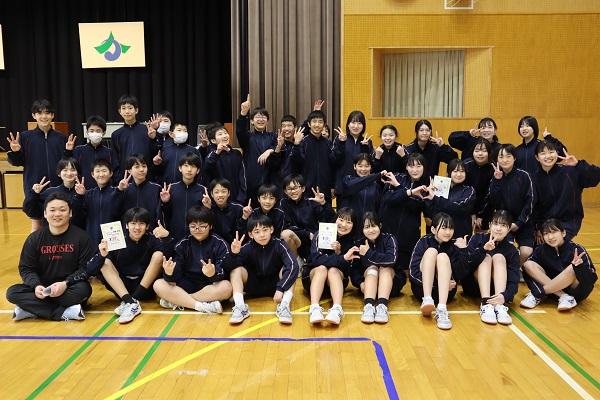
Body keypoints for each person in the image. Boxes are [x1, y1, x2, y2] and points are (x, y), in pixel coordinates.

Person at [6, 192, 93, 321]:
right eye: (52, 210)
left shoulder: (82, 237)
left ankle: (32, 309)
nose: (57, 214)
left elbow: (85, 269)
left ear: (70, 213)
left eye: (62, 210)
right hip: (42, 288)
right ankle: (64, 312)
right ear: (45, 214)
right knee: (12, 292)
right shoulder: (34, 239)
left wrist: (65, 283)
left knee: (84, 290)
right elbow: (26, 268)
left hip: (68, 288)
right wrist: (36, 285)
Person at [86, 207, 171, 324]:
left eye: (141, 224)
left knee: (158, 255)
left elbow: (170, 258)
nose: (137, 227)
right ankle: (130, 301)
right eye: (133, 223)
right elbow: (90, 269)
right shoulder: (115, 240)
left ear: (147, 226)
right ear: (126, 225)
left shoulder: (153, 240)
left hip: (145, 288)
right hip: (123, 288)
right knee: (105, 262)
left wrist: (167, 237)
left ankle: (132, 301)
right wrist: (101, 254)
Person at [153, 206, 232, 313]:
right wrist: (169, 273)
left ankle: (180, 302)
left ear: (210, 226)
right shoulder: (183, 244)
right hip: (185, 285)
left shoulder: (220, 243)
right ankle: (200, 306)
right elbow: (176, 274)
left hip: (209, 286)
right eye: (193, 226)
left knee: (226, 287)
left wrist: (213, 273)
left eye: (202, 226)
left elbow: (224, 271)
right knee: (158, 284)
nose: (197, 230)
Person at [7, 99, 68, 231]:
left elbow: (65, 163)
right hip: (35, 187)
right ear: (34, 116)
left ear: (52, 115)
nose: (44, 116)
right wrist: (15, 152)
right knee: (37, 224)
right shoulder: (25, 137)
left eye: (47, 113)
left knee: (59, 222)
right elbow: (17, 162)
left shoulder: (60, 137)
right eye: (39, 113)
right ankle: (35, 246)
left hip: (57, 186)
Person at [227, 215, 300, 325]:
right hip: (253, 285)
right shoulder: (246, 247)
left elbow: (293, 265)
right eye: (257, 232)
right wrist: (234, 254)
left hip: (275, 286)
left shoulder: (280, 244)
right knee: (236, 269)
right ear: (250, 234)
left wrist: (281, 288)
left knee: (289, 269)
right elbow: (227, 267)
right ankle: (240, 307)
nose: (262, 235)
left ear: (271, 229)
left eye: (265, 230)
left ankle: (284, 306)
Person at [521, 219, 597, 311]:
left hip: (575, 292)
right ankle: (563, 296)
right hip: (553, 293)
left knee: (573, 267)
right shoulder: (540, 250)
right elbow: (527, 272)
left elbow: (592, 279)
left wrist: (580, 267)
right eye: (546, 233)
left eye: (554, 232)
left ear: (563, 233)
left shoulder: (577, 249)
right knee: (528, 264)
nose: (550, 237)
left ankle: (537, 294)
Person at [409, 213, 468, 330]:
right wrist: (437, 283)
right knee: (431, 251)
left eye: (451, 228)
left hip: (446, 293)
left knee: (442, 256)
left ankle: (442, 309)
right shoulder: (424, 242)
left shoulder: (454, 245)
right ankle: (427, 299)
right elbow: (412, 272)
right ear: (433, 229)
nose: (448, 232)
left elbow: (461, 274)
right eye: (444, 228)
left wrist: (463, 250)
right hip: (421, 290)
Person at [532, 140, 600, 241]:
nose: (548, 156)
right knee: (538, 247)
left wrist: (578, 164)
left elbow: (596, 176)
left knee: (557, 241)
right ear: (537, 157)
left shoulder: (570, 172)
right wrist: (537, 227)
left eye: (551, 152)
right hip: (545, 223)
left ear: (557, 153)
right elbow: (534, 206)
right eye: (543, 153)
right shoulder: (534, 178)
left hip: (569, 221)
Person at [462, 210, 519, 325]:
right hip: (475, 287)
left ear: (508, 229)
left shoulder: (512, 250)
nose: (498, 228)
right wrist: (483, 250)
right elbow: (466, 267)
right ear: (489, 225)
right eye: (495, 224)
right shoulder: (477, 238)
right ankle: (485, 304)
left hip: (498, 293)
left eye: (503, 225)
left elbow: (514, 280)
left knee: (499, 257)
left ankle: (499, 306)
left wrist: (505, 296)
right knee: (486, 257)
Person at [303, 207, 357, 325]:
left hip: (337, 282)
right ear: (335, 219)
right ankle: (314, 308)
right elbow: (315, 260)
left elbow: (348, 269)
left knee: (332, 270)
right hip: (312, 279)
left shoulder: (354, 241)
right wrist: (341, 258)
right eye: (341, 220)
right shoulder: (321, 233)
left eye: (349, 222)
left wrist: (339, 253)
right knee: (322, 268)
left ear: (354, 225)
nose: (344, 225)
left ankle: (337, 309)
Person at [379, 153, 428, 278]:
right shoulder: (396, 177)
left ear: (424, 167)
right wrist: (409, 192)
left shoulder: (426, 186)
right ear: (406, 167)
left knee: (404, 274)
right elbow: (388, 199)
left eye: (418, 166)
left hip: (409, 235)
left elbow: (416, 206)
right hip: (389, 230)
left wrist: (399, 188)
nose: (415, 170)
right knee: (385, 267)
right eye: (411, 166)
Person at [487, 144, 535, 266]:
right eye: (501, 157)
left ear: (514, 158)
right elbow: (493, 201)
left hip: (523, 223)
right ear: (497, 160)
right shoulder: (496, 177)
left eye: (508, 156)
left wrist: (519, 223)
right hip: (503, 223)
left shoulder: (524, 176)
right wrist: (497, 181)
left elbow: (530, 202)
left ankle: (518, 270)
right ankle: (508, 270)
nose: (505, 160)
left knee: (526, 252)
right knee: (504, 250)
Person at [351, 212, 401, 325]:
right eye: (367, 227)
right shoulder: (359, 244)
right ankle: (368, 306)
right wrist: (360, 283)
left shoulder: (389, 239)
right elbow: (354, 269)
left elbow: (391, 260)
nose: (371, 230)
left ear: (380, 226)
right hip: (368, 287)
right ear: (362, 229)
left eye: (373, 226)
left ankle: (382, 306)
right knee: (372, 268)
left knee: (384, 268)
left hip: (391, 285)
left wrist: (368, 253)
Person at [279, 175, 336, 260]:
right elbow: (285, 225)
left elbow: (331, 220)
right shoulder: (283, 203)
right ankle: (296, 263)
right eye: (289, 189)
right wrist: (307, 234)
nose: (293, 191)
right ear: (285, 191)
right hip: (297, 241)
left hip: (312, 242)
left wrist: (323, 203)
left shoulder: (311, 202)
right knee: (285, 234)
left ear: (303, 188)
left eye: (295, 188)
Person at [72, 159, 125, 246]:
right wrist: (79, 196)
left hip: (114, 240)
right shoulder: (88, 194)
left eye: (104, 171)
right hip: (92, 238)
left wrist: (119, 191)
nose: (101, 174)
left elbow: (119, 212)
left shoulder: (117, 192)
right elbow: (78, 216)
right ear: (92, 174)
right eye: (97, 171)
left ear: (111, 173)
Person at [160, 153, 211, 243]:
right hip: (173, 235)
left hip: (195, 236)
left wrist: (208, 208)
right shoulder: (170, 189)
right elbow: (165, 214)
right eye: (186, 165)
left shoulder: (203, 190)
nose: (189, 169)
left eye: (193, 166)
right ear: (180, 168)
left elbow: (206, 218)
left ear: (198, 170)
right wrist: (165, 202)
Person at [23, 158, 85, 230]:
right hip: (52, 233)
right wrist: (34, 194)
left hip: (76, 233)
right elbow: (30, 211)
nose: (69, 173)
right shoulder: (49, 192)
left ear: (78, 173)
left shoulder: (84, 193)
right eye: (65, 170)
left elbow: (81, 216)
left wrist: (80, 196)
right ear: (59, 173)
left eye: (73, 170)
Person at [290, 110, 338, 203]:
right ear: (309, 124)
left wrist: (332, 186)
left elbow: (333, 166)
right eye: (314, 121)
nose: (317, 124)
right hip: (306, 189)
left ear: (324, 124)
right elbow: (295, 163)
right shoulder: (303, 142)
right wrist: (296, 144)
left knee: (325, 211)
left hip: (325, 188)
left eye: (320, 122)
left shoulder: (328, 143)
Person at [236, 94, 277, 201]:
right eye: (258, 117)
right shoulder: (248, 137)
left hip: (270, 181)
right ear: (252, 121)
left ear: (267, 121)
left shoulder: (273, 136)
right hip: (251, 181)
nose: (261, 119)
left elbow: (279, 147)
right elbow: (240, 131)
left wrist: (269, 150)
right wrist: (243, 113)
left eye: (263, 117)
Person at [110, 94, 160, 181]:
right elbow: (115, 159)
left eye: (130, 108)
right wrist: (118, 179)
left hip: (146, 176)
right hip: (125, 179)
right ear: (119, 111)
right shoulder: (116, 134)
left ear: (136, 110)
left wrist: (154, 138)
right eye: (123, 108)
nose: (127, 111)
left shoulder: (147, 130)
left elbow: (156, 152)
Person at [422, 159, 476, 238]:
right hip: (439, 235)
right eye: (455, 171)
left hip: (460, 236)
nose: (459, 174)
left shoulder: (469, 190)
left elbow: (459, 207)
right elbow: (430, 210)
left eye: (462, 171)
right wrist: (428, 193)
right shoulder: (439, 186)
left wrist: (435, 198)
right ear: (449, 172)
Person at [333, 111, 373, 200]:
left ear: (363, 125)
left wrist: (365, 148)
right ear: (348, 124)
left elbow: (369, 165)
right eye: (353, 122)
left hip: (361, 186)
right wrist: (342, 143)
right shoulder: (340, 139)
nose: (356, 126)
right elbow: (335, 161)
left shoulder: (367, 142)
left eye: (359, 123)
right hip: (343, 186)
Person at [203, 124, 247, 204]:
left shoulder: (236, 153)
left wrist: (241, 197)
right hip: (217, 199)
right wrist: (217, 152)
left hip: (236, 198)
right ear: (213, 141)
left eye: (226, 133)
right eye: (220, 134)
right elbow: (207, 168)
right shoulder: (211, 154)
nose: (224, 136)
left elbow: (242, 176)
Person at [67, 115, 112, 189]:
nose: (95, 133)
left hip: (105, 191)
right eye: (91, 131)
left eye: (98, 131)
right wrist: (68, 151)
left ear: (103, 133)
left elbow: (114, 173)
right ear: (87, 132)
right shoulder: (79, 150)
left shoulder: (109, 152)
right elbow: (67, 167)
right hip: (83, 190)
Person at [339, 153, 384, 222]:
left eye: (367, 166)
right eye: (360, 166)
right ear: (354, 166)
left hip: (368, 224)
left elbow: (378, 207)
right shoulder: (348, 180)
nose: (363, 169)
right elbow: (353, 186)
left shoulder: (376, 185)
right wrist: (376, 175)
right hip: (350, 223)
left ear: (371, 167)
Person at [122, 154, 163, 229]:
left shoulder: (156, 189)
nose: (141, 169)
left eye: (144, 166)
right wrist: (119, 190)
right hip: (130, 232)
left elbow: (160, 214)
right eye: (137, 167)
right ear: (129, 170)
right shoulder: (125, 189)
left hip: (150, 232)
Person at [464, 138, 494, 231]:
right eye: (477, 151)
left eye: (484, 151)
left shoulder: (493, 168)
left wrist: (481, 215)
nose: (480, 154)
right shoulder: (466, 165)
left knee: (481, 236)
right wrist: (472, 213)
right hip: (466, 209)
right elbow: (463, 190)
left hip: (486, 211)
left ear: (489, 152)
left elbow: (490, 195)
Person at [207, 178, 244, 244]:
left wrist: (244, 218)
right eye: (216, 192)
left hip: (235, 245)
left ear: (229, 193)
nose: (220, 195)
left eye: (223, 191)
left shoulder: (238, 209)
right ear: (212, 194)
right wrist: (208, 209)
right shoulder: (209, 208)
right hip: (215, 246)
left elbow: (242, 232)